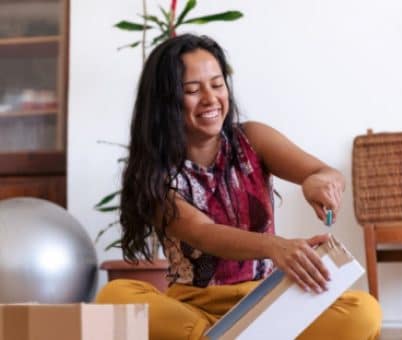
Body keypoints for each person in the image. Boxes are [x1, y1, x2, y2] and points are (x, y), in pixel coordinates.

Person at [95, 33, 382, 340]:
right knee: (114, 297)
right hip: (192, 310)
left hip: (267, 304)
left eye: (217, 85)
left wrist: (318, 183)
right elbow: (202, 233)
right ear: (164, 101)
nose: (210, 98)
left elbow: (325, 172)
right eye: (192, 90)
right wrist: (276, 247)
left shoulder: (253, 139)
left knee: (364, 311)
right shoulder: (151, 173)